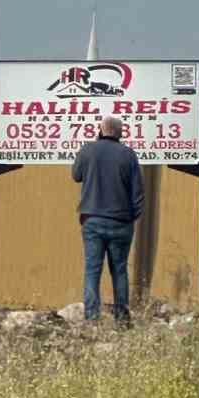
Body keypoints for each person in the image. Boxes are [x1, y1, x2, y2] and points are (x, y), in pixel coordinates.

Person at [72, 116, 144, 324]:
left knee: (92, 270)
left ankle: (92, 319)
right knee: (119, 270)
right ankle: (122, 319)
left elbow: (76, 175)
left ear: (100, 130)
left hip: (92, 219)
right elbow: (138, 192)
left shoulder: (87, 150)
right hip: (121, 222)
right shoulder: (128, 155)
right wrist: (131, 217)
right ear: (120, 132)